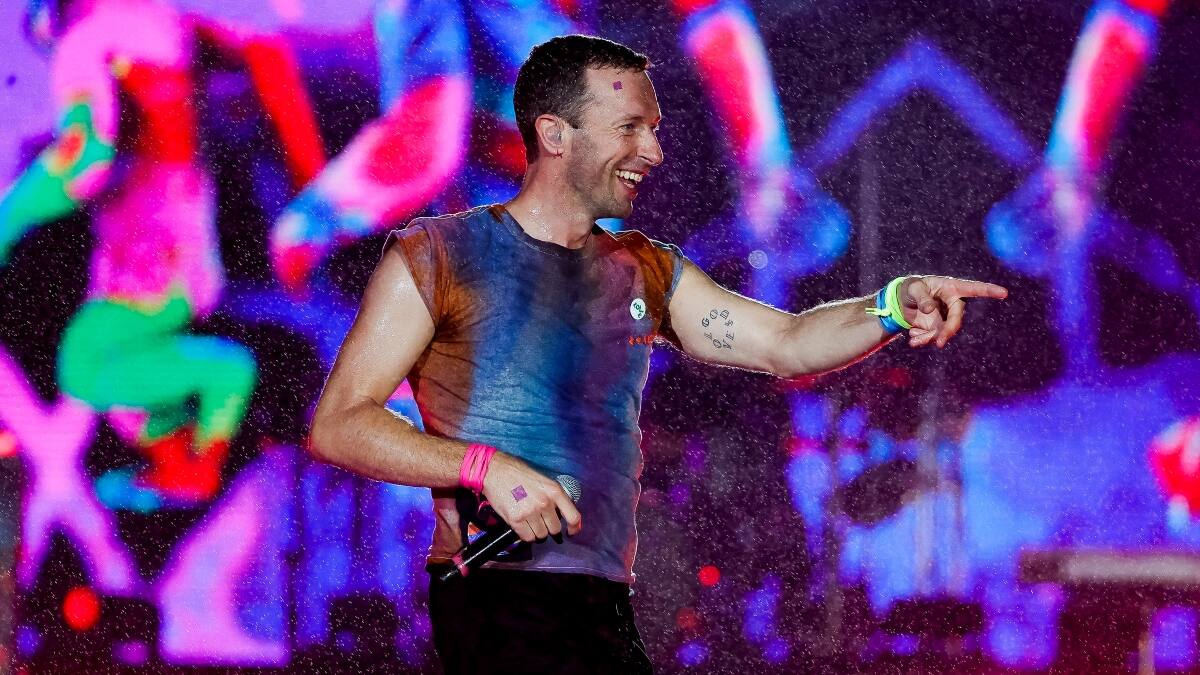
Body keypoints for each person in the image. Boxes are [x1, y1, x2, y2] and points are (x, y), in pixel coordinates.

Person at [307, 34, 1008, 674]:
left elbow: (786, 342)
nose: (652, 152)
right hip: (497, 602)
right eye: (629, 129)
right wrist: (482, 467)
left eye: (654, 130)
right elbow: (339, 424)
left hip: (603, 603)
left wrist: (890, 305)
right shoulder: (438, 256)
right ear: (554, 134)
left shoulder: (642, 271)